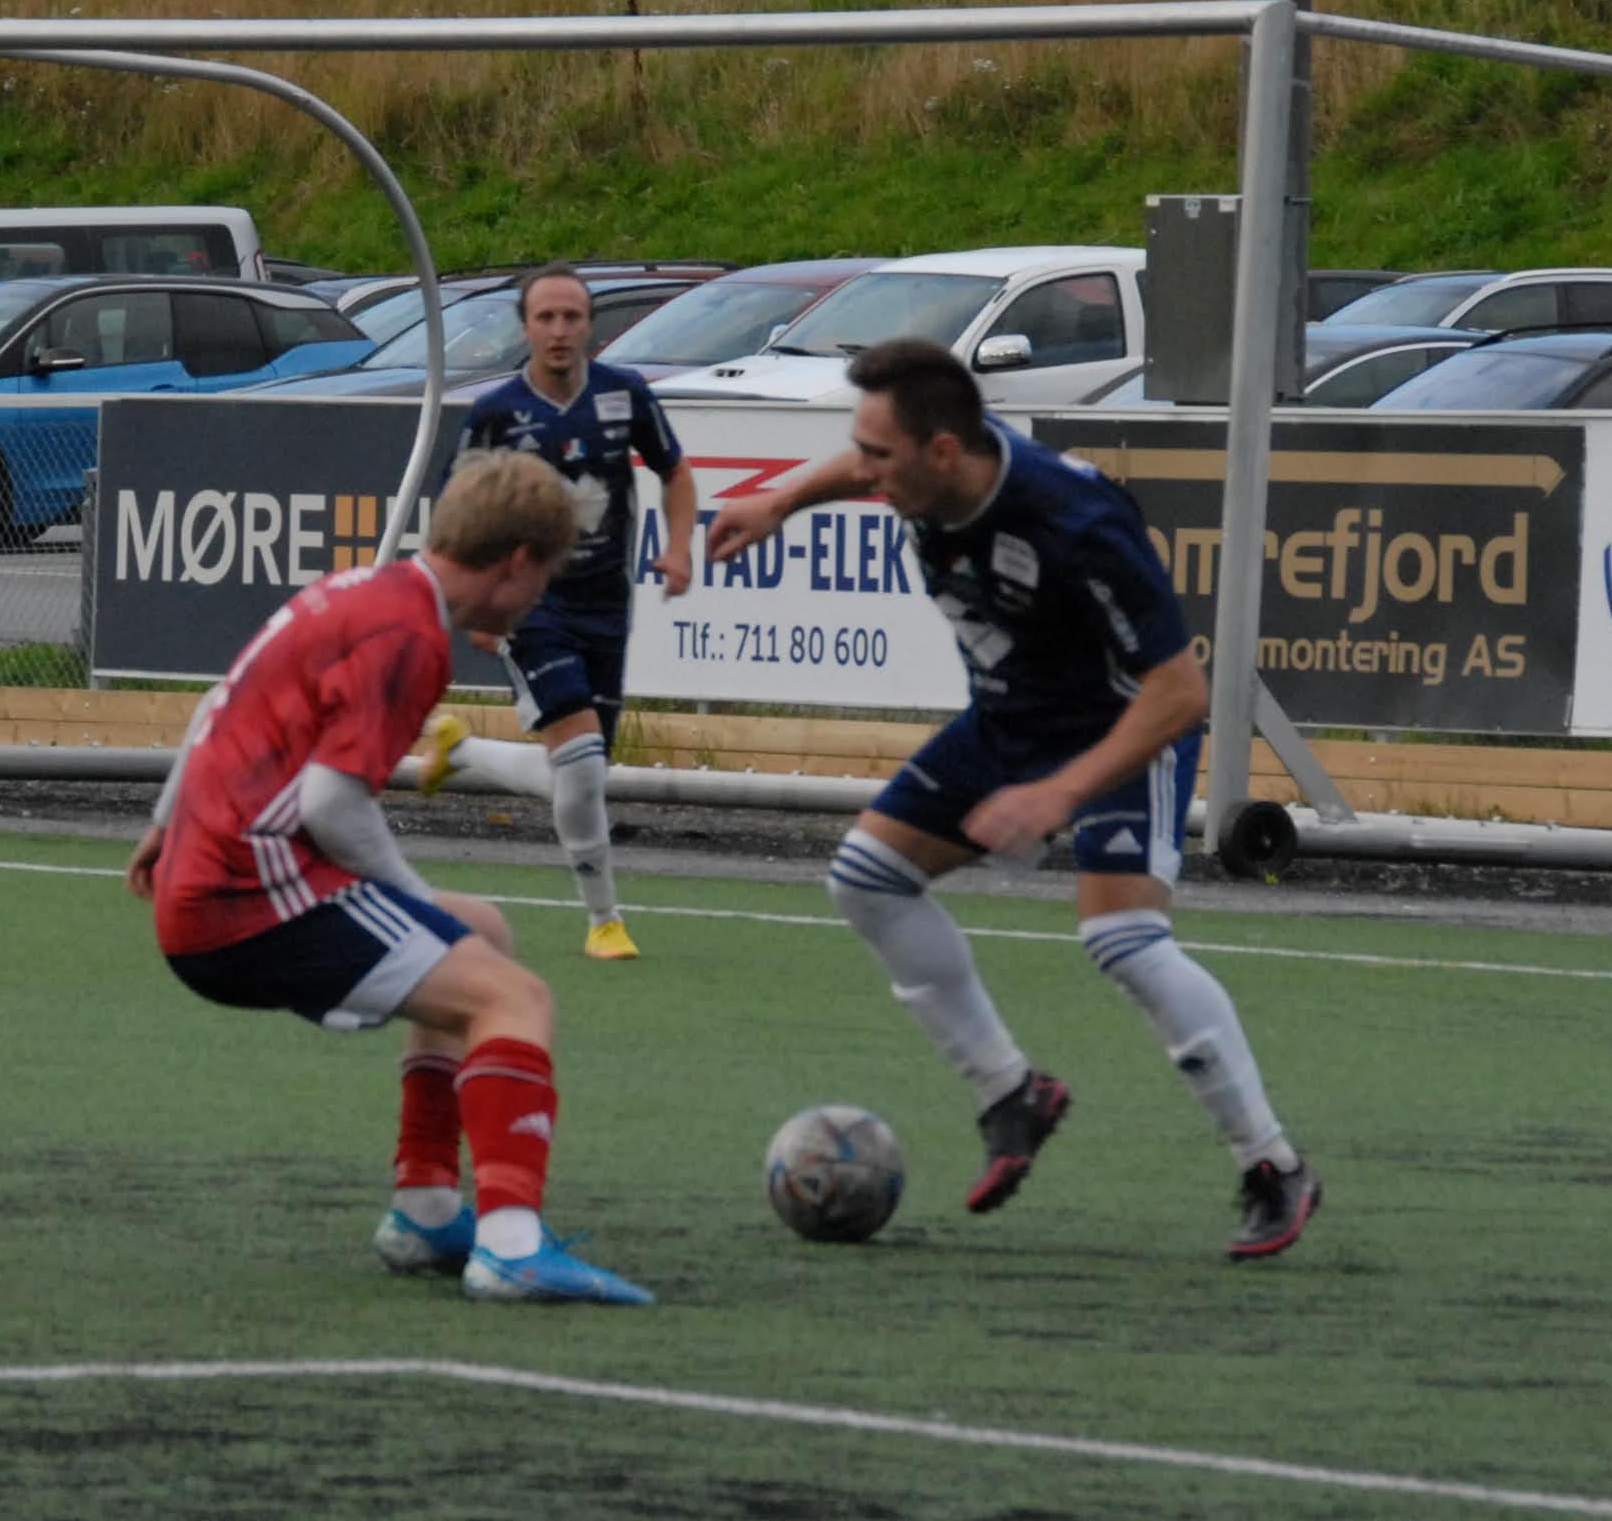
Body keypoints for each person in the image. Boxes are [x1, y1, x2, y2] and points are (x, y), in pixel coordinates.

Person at [702, 339, 1321, 1261]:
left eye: (878, 456)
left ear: (944, 451)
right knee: (867, 880)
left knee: (1124, 942)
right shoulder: (936, 463)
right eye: (861, 450)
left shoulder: (1075, 521)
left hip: (1120, 728)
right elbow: (863, 462)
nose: (864, 473)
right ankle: (1011, 1093)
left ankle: (1272, 1165)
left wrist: (1059, 794)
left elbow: (1180, 693)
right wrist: (781, 502)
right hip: (1009, 722)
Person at [132, 449, 653, 1304]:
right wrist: (412, 901)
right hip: (248, 897)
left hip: (217, 878)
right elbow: (332, 802)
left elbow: (215, 703)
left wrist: (163, 824)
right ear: (517, 562)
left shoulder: (359, 589)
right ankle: (512, 1249)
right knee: (515, 999)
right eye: (546, 576)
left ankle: (425, 1207)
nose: (541, 597)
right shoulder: (411, 636)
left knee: (481, 931)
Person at [444, 265, 695, 960]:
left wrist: (679, 549)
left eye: (572, 317)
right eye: (545, 318)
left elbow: (674, 471)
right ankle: (604, 919)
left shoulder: (624, 393)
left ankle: (462, 752)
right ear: (525, 327)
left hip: (608, 603)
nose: (559, 330)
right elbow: (454, 510)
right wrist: (478, 601)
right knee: (581, 763)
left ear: (590, 326)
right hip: (530, 605)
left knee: (581, 771)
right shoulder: (496, 412)